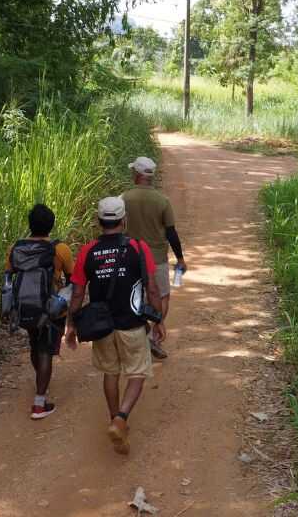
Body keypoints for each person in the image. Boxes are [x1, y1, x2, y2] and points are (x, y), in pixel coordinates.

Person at [65, 196, 164, 454]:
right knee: (137, 372)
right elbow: (152, 287)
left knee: (111, 372)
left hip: (102, 325)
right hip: (132, 323)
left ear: (99, 221)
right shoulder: (138, 248)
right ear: (123, 220)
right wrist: (159, 320)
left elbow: (77, 293)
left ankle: (113, 419)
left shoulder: (88, 251)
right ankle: (121, 418)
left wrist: (71, 324)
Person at [4, 203, 74, 420]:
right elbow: (73, 280)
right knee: (46, 350)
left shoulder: (15, 248)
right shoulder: (60, 249)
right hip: (51, 309)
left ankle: (41, 382)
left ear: (30, 225)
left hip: (24, 307)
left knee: (35, 344)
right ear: (51, 226)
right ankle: (39, 403)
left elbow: (8, 277)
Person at [121, 156, 187, 359]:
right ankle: (154, 335)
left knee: (133, 297)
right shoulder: (162, 201)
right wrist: (180, 259)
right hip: (156, 257)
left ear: (138, 175)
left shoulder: (123, 198)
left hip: (129, 256)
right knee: (161, 296)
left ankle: (138, 338)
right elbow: (171, 232)